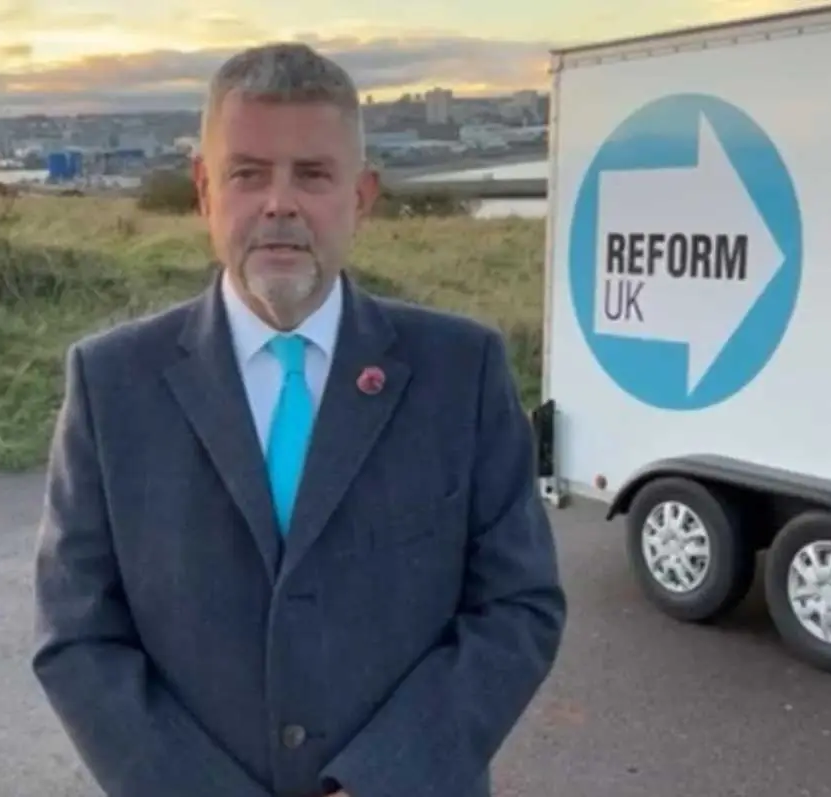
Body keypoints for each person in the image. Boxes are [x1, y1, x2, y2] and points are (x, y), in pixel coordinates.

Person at [31, 41, 567, 797]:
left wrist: (383, 780)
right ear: (205, 191)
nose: (279, 203)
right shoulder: (111, 383)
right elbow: (77, 635)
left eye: (312, 174)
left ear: (362, 195)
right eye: (247, 173)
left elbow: (518, 606)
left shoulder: (463, 371)